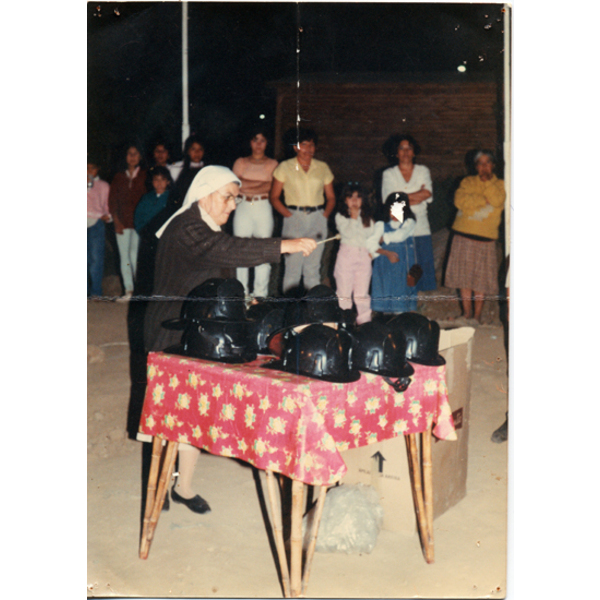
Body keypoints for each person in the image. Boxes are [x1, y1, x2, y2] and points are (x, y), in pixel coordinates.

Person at [143, 165, 317, 514]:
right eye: (228, 197)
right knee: (167, 415)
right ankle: (158, 484)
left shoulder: (205, 226)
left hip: (201, 330)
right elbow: (227, 250)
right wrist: (286, 245)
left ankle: (184, 486)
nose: (233, 205)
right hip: (170, 331)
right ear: (205, 194)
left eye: (236, 199)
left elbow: (215, 275)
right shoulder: (187, 228)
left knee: (192, 412)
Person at [270, 127, 336, 294]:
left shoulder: (322, 167)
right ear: (295, 147)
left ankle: (312, 312)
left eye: (312, 145)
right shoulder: (285, 167)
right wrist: (288, 214)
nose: (308, 149)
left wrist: (324, 215)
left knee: (312, 270)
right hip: (294, 218)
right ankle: (290, 311)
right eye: (304, 144)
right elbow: (274, 197)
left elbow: (331, 197)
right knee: (292, 269)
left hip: (317, 218)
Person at [445, 150, 506, 324]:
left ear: (493, 165)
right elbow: (460, 202)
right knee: (464, 278)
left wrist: (485, 187)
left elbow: (497, 201)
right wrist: (482, 200)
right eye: (480, 163)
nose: (484, 166)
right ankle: (466, 314)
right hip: (463, 236)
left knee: (480, 280)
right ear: (476, 166)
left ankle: (477, 316)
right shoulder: (467, 182)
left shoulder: (500, 184)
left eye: (488, 162)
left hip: (485, 238)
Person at [381, 134, 437, 292]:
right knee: (401, 264)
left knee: (421, 264)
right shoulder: (389, 174)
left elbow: (428, 194)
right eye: (401, 148)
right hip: (397, 226)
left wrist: (401, 198)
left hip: (420, 226)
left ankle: (420, 301)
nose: (405, 152)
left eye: (409, 148)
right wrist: (416, 195)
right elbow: (389, 201)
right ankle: (403, 301)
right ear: (396, 152)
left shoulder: (423, 170)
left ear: (414, 152)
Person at [232, 126, 279, 300]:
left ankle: (260, 296)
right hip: (243, 207)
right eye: (255, 140)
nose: (258, 144)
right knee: (241, 250)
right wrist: (260, 184)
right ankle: (241, 295)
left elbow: (272, 186)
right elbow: (236, 185)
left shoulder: (272, 164)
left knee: (263, 251)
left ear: (267, 143)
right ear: (249, 142)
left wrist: (246, 183)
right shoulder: (240, 162)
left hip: (263, 207)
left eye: (262, 140)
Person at [333, 183, 377, 325]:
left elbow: (370, 235)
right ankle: (344, 322)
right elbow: (348, 233)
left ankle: (365, 322)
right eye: (350, 197)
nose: (354, 200)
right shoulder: (341, 217)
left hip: (364, 257)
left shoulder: (368, 218)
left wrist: (371, 253)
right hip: (347, 256)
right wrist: (353, 217)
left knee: (362, 294)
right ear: (344, 200)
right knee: (344, 293)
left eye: (358, 197)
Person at [108, 144, 147, 300]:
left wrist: (143, 222)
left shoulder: (144, 176)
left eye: (135, 154)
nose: (132, 157)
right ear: (125, 157)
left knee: (136, 256)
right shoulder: (119, 177)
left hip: (138, 224)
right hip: (122, 224)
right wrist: (116, 221)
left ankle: (138, 291)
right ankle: (128, 291)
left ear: (140, 157)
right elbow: (112, 201)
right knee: (124, 257)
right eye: (129, 154)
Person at [371, 192, 418, 315]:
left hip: (404, 265)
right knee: (387, 292)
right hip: (385, 266)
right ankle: (388, 320)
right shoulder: (381, 224)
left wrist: (383, 238)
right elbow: (370, 243)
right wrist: (385, 252)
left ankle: (405, 319)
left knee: (404, 292)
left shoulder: (409, 222)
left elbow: (400, 235)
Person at [133, 166, 173, 298]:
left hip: (165, 240)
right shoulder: (146, 198)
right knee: (147, 271)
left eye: (163, 180)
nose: (159, 183)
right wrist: (143, 232)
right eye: (156, 180)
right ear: (152, 182)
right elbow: (138, 217)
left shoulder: (172, 199)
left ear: (168, 181)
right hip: (147, 239)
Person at [87, 159, 111, 298]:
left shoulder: (103, 185)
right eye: (86, 168)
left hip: (96, 223)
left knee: (96, 259)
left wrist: (107, 215)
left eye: (93, 168)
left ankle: (95, 292)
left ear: (98, 169)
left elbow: (106, 205)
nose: (89, 171)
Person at [167, 134, 206, 210]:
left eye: (200, 149)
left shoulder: (207, 169)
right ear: (188, 151)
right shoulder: (176, 168)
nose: (197, 152)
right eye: (193, 149)